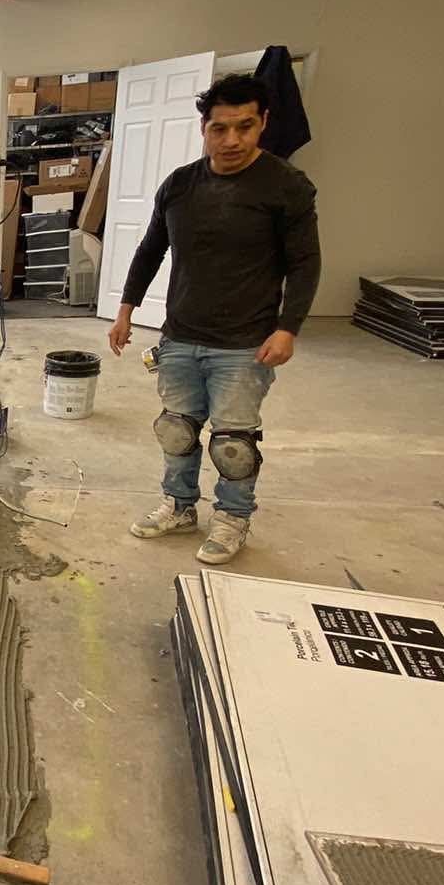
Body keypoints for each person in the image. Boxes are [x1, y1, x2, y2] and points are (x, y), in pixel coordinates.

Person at [105, 74, 320, 565]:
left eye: (244, 127)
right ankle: (180, 508)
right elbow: (150, 250)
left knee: (233, 445)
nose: (232, 141)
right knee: (176, 430)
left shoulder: (286, 187)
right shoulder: (180, 185)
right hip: (180, 335)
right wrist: (125, 312)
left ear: (263, 123)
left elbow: (305, 263)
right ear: (204, 128)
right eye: (219, 129)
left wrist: (289, 328)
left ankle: (232, 520)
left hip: (246, 342)